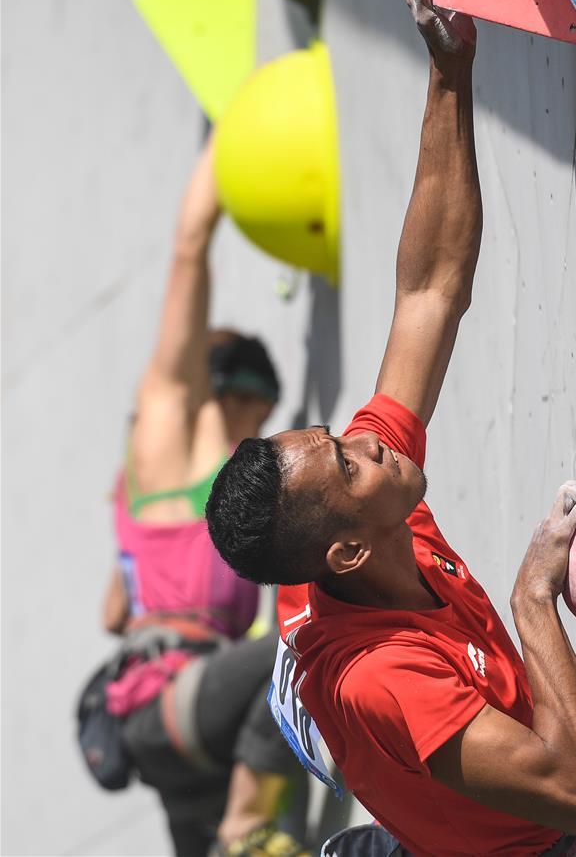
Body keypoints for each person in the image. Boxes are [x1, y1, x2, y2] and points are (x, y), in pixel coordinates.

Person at [206, 0, 576, 856]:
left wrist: (449, 66)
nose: (369, 440)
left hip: (373, 749)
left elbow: (428, 288)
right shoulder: (388, 679)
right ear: (347, 547)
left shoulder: (368, 504)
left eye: (341, 439)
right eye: (348, 461)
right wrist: (532, 597)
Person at [100, 136, 308, 857]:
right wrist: (231, 136)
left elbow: (113, 611)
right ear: (237, 392)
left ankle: (241, 827)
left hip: (179, 735)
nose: (263, 430)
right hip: (173, 706)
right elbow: (189, 248)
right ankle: (246, 825)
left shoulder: (161, 486)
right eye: (260, 410)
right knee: (309, 643)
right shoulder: (167, 444)